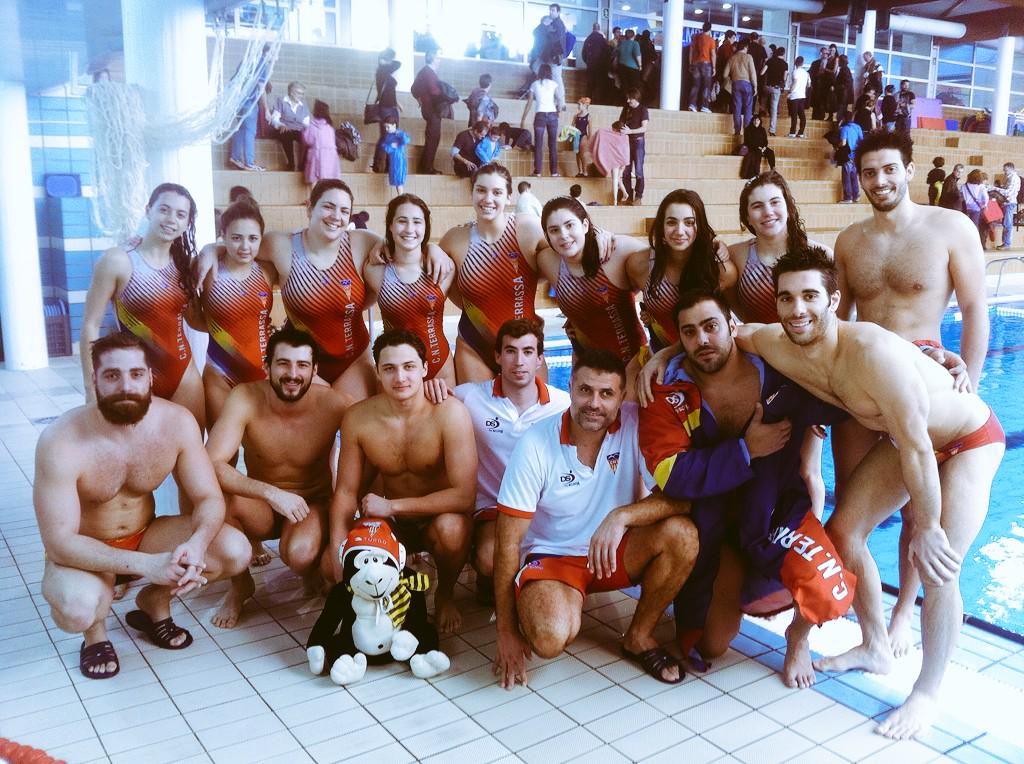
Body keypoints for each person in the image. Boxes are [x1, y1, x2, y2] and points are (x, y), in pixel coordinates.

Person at [740, 245, 1003, 740]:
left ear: (834, 300)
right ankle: (876, 645)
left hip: (965, 442)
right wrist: (660, 357)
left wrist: (925, 526)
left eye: (810, 296)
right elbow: (732, 335)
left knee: (939, 562)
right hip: (914, 443)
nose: (798, 310)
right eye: (787, 298)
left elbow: (919, 449)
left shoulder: (872, 354)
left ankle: (927, 691)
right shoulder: (777, 342)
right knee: (844, 531)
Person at [833, 129, 989, 669]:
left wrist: (971, 377)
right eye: (869, 172)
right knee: (853, 513)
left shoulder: (949, 228)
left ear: (908, 168)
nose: (879, 181)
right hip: (861, 394)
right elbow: (838, 324)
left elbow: (974, 308)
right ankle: (869, 633)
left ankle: (904, 611)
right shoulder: (849, 242)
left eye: (888, 169)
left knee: (919, 514)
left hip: (922, 385)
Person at [638, 290, 852, 677]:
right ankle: (731, 580)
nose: (702, 340)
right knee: (711, 645)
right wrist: (744, 451)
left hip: (774, 512)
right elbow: (670, 472)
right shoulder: (667, 392)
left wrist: (922, 362)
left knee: (825, 590)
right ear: (679, 341)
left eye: (710, 327)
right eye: (689, 332)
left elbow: (845, 391)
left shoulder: (781, 371)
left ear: (733, 327)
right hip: (711, 526)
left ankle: (797, 637)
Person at [37, 332, 251, 678]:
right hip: (84, 550)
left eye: (136, 374)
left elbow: (208, 498)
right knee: (78, 609)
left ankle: (156, 601)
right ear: (95, 381)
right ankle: (95, 635)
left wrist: (195, 545)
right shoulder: (62, 441)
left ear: (150, 377)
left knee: (233, 550)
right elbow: (58, 541)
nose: (126, 385)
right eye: (112, 375)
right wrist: (147, 564)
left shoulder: (176, 423)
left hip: (144, 534)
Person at [492, 348, 698, 688]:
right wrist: (506, 631)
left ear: (622, 397)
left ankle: (639, 636)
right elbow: (508, 540)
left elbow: (680, 498)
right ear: (571, 386)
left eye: (606, 394)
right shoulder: (535, 443)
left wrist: (622, 516)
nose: (594, 403)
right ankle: (551, 600)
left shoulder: (636, 424)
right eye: (586, 390)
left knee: (683, 535)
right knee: (548, 639)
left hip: (615, 551)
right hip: (554, 556)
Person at [330, 330, 478, 632]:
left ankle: (446, 593)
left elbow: (465, 496)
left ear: (425, 369)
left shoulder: (449, 414)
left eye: (409, 367)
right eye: (390, 368)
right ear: (378, 373)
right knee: (328, 566)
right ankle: (397, 595)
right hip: (392, 524)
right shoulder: (358, 418)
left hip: (435, 518)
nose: (400, 377)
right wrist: (337, 548)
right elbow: (345, 491)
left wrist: (391, 504)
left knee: (452, 529)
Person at [206, 329, 350, 627]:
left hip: (310, 503)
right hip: (263, 503)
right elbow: (211, 463)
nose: (293, 374)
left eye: (302, 365)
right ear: (267, 365)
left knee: (298, 554)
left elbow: (382, 417)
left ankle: (312, 566)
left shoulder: (335, 404)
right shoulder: (245, 397)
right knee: (219, 497)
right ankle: (240, 585)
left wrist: (429, 391)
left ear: (315, 370)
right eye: (283, 363)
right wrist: (271, 493)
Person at [453, 319, 570, 603]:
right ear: (497, 356)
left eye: (528, 352)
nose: (519, 361)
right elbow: (430, 407)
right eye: (511, 351)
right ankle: (484, 565)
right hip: (496, 508)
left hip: (543, 507)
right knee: (489, 559)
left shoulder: (562, 404)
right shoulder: (470, 397)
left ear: (540, 358)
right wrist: (431, 387)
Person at [80, 183, 206, 429]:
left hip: (184, 374)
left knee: (192, 454)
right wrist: (90, 387)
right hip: (136, 375)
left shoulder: (184, 263)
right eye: (164, 210)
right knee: (145, 460)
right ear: (149, 210)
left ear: (187, 222)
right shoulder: (118, 260)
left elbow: (193, 319)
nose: (171, 219)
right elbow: (90, 326)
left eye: (181, 214)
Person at [537, 197, 647, 394]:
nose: (563, 235)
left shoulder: (615, 250)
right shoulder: (548, 261)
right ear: (547, 236)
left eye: (570, 225)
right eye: (554, 230)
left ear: (585, 225)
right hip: (585, 366)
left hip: (631, 366)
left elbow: (662, 259)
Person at [364, 195, 456, 397]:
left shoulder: (444, 269)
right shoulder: (374, 271)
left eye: (417, 222)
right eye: (402, 221)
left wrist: (434, 247)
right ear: (390, 225)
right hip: (394, 369)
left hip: (438, 365)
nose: (409, 229)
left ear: (425, 227)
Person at [627, 188, 735, 354]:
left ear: (700, 226)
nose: (679, 231)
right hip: (661, 356)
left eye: (689, 222)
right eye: (671, 222)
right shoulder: (639, 265)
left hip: (707, 358)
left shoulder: (720, 269)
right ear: (661, 227)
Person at [198, 199, 275, 425]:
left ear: (261, 238)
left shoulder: (268, 271)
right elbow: (193, 317)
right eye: (236, 237)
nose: (244, 246)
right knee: (222, 452)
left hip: (261, 373)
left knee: (262, 454)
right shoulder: (207, 270)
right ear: (222, 235)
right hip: (219, 372)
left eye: (252, 238)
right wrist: (209, 248)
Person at [228, 44, 270, 171]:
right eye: (273, 53)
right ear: (267, 52)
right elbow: (261, 87)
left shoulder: (246, 61)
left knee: (241, 128)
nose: (276, 57)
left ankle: (235, 156)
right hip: (249, 102)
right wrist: (266, 109)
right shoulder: (262, 62)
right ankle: (249, 162)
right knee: (250, 131)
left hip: (238, 102)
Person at [521, 64, 563, 178]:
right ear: (549, 72)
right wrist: (558, 110)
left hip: (540, 115)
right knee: (552, 145)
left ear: (539, 72)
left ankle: (537, 171)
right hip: (553, 115)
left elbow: (529, 103)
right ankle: (554, 172)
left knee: (539, 145)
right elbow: (559, 99)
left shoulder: (534, 84)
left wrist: (523, 118)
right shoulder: (554, 84)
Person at [411, 51, 443, 175]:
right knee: (433, 138)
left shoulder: (424, 72)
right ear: (433, 59)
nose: (440, 60)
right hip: (433, 109)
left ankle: (424, 166)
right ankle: (427, 168)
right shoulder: (429, 73)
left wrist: (420, 99)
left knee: (432, 138)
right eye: (438, 58)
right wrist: (447, 96)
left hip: (429, 109)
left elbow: (414, 89)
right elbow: (434, 91)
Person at [371, 48, 402, 174]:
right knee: (385, 136)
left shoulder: (386, 73)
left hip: (391, 107)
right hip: (385, 108)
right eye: (388, 58)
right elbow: (398, 64)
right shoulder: (381, 71)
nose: (390, 61)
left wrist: (397, 103)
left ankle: (389, 165)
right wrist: (384, 60)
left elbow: (391, 92)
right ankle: (378, 164)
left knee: (392, 136)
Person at [271, 81, 310, 172]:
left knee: (308, 138)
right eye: (299, 93)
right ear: (291, 92)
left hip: (298, 130)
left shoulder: (303, 105)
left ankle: (303, 166)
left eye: (302, 94)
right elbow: (274, 118)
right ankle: (291, 164)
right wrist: (281, 125)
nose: (301, 96)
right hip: (284, 128)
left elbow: (306, 123)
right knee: (286, 135)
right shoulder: (281, 101)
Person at [619, 88, 649, 205]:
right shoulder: (626, 109)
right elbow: (621, 122)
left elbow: (644, 128)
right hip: (626, 142)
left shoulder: (643, 110)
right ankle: (628, 195)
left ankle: (638, 195)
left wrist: (630, 131)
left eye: (630, 99)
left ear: (635, 98)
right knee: (626, 171)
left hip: (638, 142)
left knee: (639, 171)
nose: (628, 101)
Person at [588, 121, 631, 204]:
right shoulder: (625, 136)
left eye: (613, 129)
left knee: (615, 179)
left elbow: (601, 131)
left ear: (615, 129)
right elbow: (626, 150)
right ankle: (625, 193)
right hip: (623, 161)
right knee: (618, 179)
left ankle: (614, 200)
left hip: (616, 160)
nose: (611, 130)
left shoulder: (613, 136)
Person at [302, 99, 341, 188]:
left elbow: (309, 140)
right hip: (330, 157)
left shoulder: (313, 126)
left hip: (317, 155)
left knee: (315, 179)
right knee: (329, 179)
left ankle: (314, 199)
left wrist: (304, 130)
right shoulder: (330, 127)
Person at [724, 39, 757, 136]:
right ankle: (747, 132)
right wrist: (755, 86)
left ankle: (737, 131)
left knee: (737, 108)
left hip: (736, 84)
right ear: (745, 47)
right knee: (748, 109)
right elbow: (753, 73)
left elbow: (724, 74)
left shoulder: (732, 58)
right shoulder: (748, 57)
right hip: (747, 84)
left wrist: (732, 79)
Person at [687, 21, 717, 113]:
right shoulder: (711, 40)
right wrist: (714, 67)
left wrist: (690, 63)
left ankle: (692, 104)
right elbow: (712, 54)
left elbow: (691, 51)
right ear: (710, 29)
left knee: (695, 85)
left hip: (695, 64)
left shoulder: (696, 38)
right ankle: (704, 106)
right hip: (706, 64)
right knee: (706, 86)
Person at [837, 112, 864, 203]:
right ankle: (856, 195)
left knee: (846, 176)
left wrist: (837, 145)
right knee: (854, 176)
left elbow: (843, 143)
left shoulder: (844, 128)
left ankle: (848, 197)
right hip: (856, 155)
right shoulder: (857, 127)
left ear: (844, 119)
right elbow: (861, 141)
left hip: (848, 155)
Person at [381, 116, 411, 195]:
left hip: (399, 159)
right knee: (395, 178)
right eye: (385, 127)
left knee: (399, 179)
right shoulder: (388, 136)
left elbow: (406, 140)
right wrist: (391, 146)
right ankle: (400, 195)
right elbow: (385, 147)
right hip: (392, 159)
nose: (386, 129)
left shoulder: (399, 134)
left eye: (388, 127)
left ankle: (400, 196)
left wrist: (400, 134)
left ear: (394, 125)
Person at [992, 162, 1020, 249]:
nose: (1004, 172)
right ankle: (1005, 243)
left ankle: (1006, 244)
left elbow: (1008, 192)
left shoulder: (1014, 178)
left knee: (1007, 224)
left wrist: (994, 188)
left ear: (1011, 169)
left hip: (1009, 203)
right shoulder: (1009, 177)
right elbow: (1006, 190)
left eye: (1006, 170)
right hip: (1007, 203)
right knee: (1006, 224)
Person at [740, 113, 776, 180]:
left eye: (758, 120)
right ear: (752, 121)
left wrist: (764, 147)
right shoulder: (748, 129)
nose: (756, 122)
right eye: (755, 120)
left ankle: (773, 169)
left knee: (771, 152)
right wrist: (758, 147)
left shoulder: (762, 129)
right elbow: (748, 142)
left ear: (760, 121)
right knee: (757, 154)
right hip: (753, 148)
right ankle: (757, 173)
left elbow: (765, 141)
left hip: (762, 148)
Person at [961, 169, 990, 246]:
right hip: (976, 209)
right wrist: (985, 205)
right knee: (974, 226)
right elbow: (985, 197)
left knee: (965, 226)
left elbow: (961, 197)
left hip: (965, 208)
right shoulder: (981, 186)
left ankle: (964, 243)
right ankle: (974, 244)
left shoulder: (964, 186)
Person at [762, 45, 787, 136]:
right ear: (783, 53)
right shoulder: (785, 64)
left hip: (767, 87)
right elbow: (784, 78)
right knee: (774, 110)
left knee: (762, 106)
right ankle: (772, 130)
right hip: (776, 89)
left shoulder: (770, 60)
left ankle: (758, 124)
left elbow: (762, 72)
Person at [582, 23, 608, 102]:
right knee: (600, 86)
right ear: (599, 29)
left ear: (593, 28)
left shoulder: (588, 39)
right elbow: (606, 53)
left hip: (590, 66)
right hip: (600, 67)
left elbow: (583, 53)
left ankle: (587, 103)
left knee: (590, 86)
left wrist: (588, 62)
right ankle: (599, 103)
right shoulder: (602, 40)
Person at [785, 55, 809, 139]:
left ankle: (792, 132)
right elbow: (808, 84)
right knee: (802, 115)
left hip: (794, 96)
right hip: (802, 96)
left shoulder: (795, 72)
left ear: (795, 63)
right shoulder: (806, 73)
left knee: (794, 115)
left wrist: (790, 92)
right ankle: (801, 132)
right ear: (802, 63)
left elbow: (795, 83)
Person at [715, 30, 737, 114]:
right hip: (724, 73)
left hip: (721, 72)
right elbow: (728, 60)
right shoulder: (727, 47)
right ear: (729, 37)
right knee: (725, 92)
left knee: (723, 91)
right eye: (733, 38)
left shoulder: (722, 46)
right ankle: (722, 109)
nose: (734, 40)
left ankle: (721, 108)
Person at [617, 29, 642, 94]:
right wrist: (640, 65)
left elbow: (618, 53)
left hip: (621, 67)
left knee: (624, 85)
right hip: (633, 68)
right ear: (634, 36)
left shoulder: (622, 43)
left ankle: (625, 101)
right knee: (634, 86)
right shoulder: (635, 43)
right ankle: (632, 101)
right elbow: (638, 55)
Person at [747, 33, 768, 111]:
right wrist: (762, 68)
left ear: (750, 38)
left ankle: (745, 110)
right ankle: (751, 110)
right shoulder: (761, 48)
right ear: (757, 38)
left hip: (747, 71)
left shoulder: (748, 47)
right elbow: (766, 60)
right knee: (754, 91)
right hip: (757, 72)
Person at [572, 97, 591, 177]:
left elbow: (590, 130)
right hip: (576, 135)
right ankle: (580, 171)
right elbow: (572, 127)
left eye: (579, 104)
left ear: (584, 105)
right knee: (577, 154)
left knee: (583, 154)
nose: (578, 106)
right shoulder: (576, 116)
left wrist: (589, 139)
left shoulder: (588, 116)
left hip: (583, 135)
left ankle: (585, 171)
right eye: (578, 104)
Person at [808, 47, 829, 121]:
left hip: (825, 87)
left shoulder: (829, 63)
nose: (826, 55)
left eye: (827, 53)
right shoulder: (815, 63)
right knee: (816, 103)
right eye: (824, 53)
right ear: (821, 53)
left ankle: (821, 118)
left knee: (822, 103)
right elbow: (810, 73)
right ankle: (815, 117)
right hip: (816, 86)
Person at [834, 54, 854, 122]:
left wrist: (837, 87)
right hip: (843, 95)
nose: (838, 62)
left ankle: (839, 126)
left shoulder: (845, 70)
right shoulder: (845, 69)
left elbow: (846, 83)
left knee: (840, 113)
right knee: (841, 112)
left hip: (843, 95)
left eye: (839, 61)